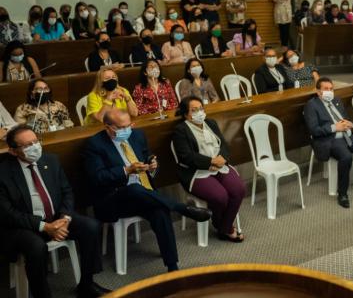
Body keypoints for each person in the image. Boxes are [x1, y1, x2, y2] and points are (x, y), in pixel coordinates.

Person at [84, 108, 211, 273]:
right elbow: (97, 178)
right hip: (112, 200)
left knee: (160, 210)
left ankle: (172, 267)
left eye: (129, 125)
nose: (127, 130)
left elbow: (148, 157)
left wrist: (152, 166)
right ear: (108, 127)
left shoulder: (137, 135)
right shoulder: (95, 145)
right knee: (135, 189)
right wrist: (126, 170)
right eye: (122, 127)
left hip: (144, 193)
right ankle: (182, 208)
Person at [0, 125, 109, 298]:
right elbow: (8, 214)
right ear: (13, 151)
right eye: (27, 145)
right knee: (36, 247)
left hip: (57, 218)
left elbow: (67, 191)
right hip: (24, 226)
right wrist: (45, 227)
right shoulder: (3, 173)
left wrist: (64, 218)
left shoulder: (51, 160)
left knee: (91, 226)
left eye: (36, 141)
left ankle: (87, 284)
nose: (35, 147)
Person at [172, 97, 246, 241]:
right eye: (194, 110)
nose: (199, 112)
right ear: (186, 114)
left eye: (201, 108)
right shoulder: (181, 130)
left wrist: (222, 158)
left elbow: (223, 144)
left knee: (239, 190)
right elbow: (186, 157)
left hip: (219, 165)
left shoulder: (210, 123)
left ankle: (223, 228)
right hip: (197, 172)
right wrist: (210, 161)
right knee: (220, 196)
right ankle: (226, 228)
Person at [304, 77, 353, 209]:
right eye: (326, 89)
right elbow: (314, 130)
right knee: (346, 157)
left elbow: (345, 117)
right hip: (331, 139)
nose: (329, 91)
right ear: (318, 92)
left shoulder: (336, 100)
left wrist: (350, 123)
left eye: (331, 89)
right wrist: (335, 127)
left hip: (347, 135)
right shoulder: (311, 105)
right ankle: (342, 194)